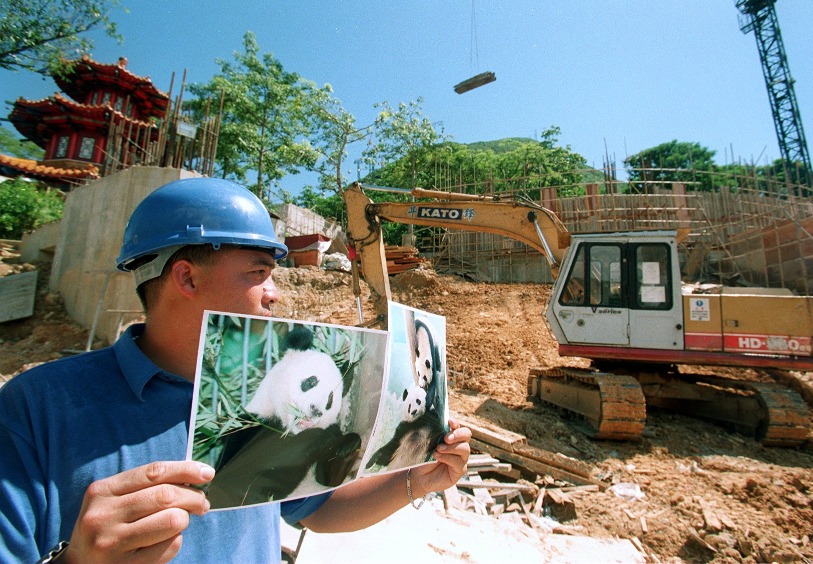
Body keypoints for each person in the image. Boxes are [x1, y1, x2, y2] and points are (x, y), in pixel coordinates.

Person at [0, 177, 472, 563]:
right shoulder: (36, 408)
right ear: (187, 276)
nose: (274, 294)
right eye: (258, 273)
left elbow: (316, 507)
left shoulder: (281, 409)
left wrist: (419, 480)